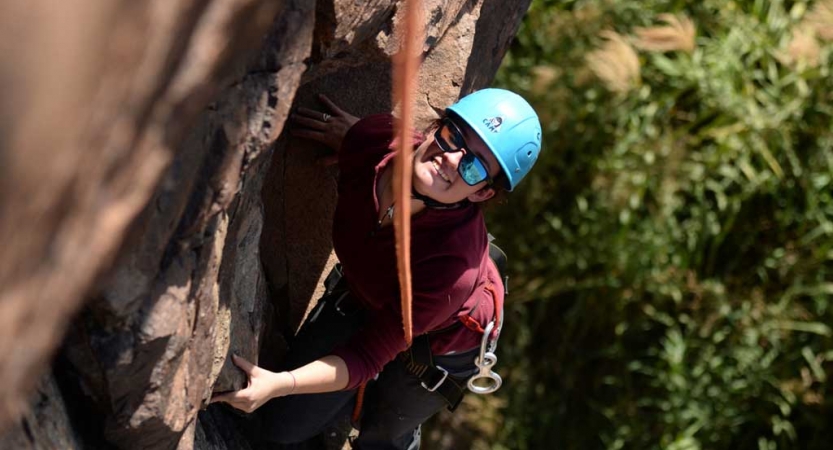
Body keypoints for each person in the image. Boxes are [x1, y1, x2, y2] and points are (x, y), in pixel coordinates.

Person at [211, 88, 542, 449]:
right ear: (434, 129)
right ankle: (335, 414)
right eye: (453, 136)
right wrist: (352, 137)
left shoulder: (451, 270)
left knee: (381, 436)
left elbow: (367, 356)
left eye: (474, 166)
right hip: (373, 299)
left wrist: (280, 383)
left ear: (481, 194)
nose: (451, 159)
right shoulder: (372, 142)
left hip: (441, 345)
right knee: (279, 430)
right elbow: (378, 143)